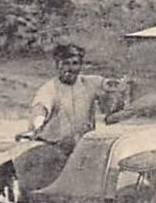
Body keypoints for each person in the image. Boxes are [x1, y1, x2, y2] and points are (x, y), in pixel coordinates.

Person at [13, 41, 118, 189]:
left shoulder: (89, 83)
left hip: (83, 148)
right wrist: (36, 126)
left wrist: (113, 90)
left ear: (80, 66)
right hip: (55, 146)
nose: (70, 69)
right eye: (65, 63)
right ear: (57, 65)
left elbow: (108, 86)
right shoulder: (49, 89)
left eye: (75, 64)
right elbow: (40, 109)